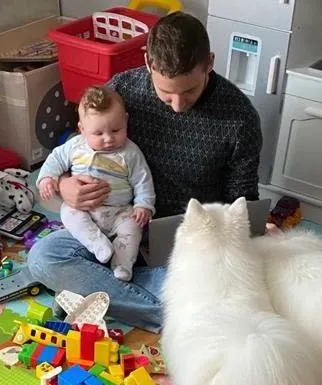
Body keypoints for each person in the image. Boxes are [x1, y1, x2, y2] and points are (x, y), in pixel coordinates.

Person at [28, 11, 263, 332]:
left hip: (185, 243)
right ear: (148, 62)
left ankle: (102, 290)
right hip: (111, 225)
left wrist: (255, 231)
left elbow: (241, 202)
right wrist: (65, 184)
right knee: (44, 256)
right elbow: (80, 145)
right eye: (167, 94)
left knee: (229, 280)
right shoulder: (121, 91)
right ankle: (170, 314)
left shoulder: (239, 117)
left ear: (209, 62)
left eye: (190, 91)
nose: (179, 105)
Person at [37, 85, 155, 281]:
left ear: (125, 120)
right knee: (68, 214)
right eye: (98, 134)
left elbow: (143, 180)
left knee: (133, 228)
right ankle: (98, 245)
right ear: (82, 129)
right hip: (86, 212)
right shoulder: (75, 147)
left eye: (116, 130)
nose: (108, 139)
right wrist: (48, 178)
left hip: (120, 211)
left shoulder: (130, 152)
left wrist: (144, 205)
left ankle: (122, 264)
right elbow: (55, 160)